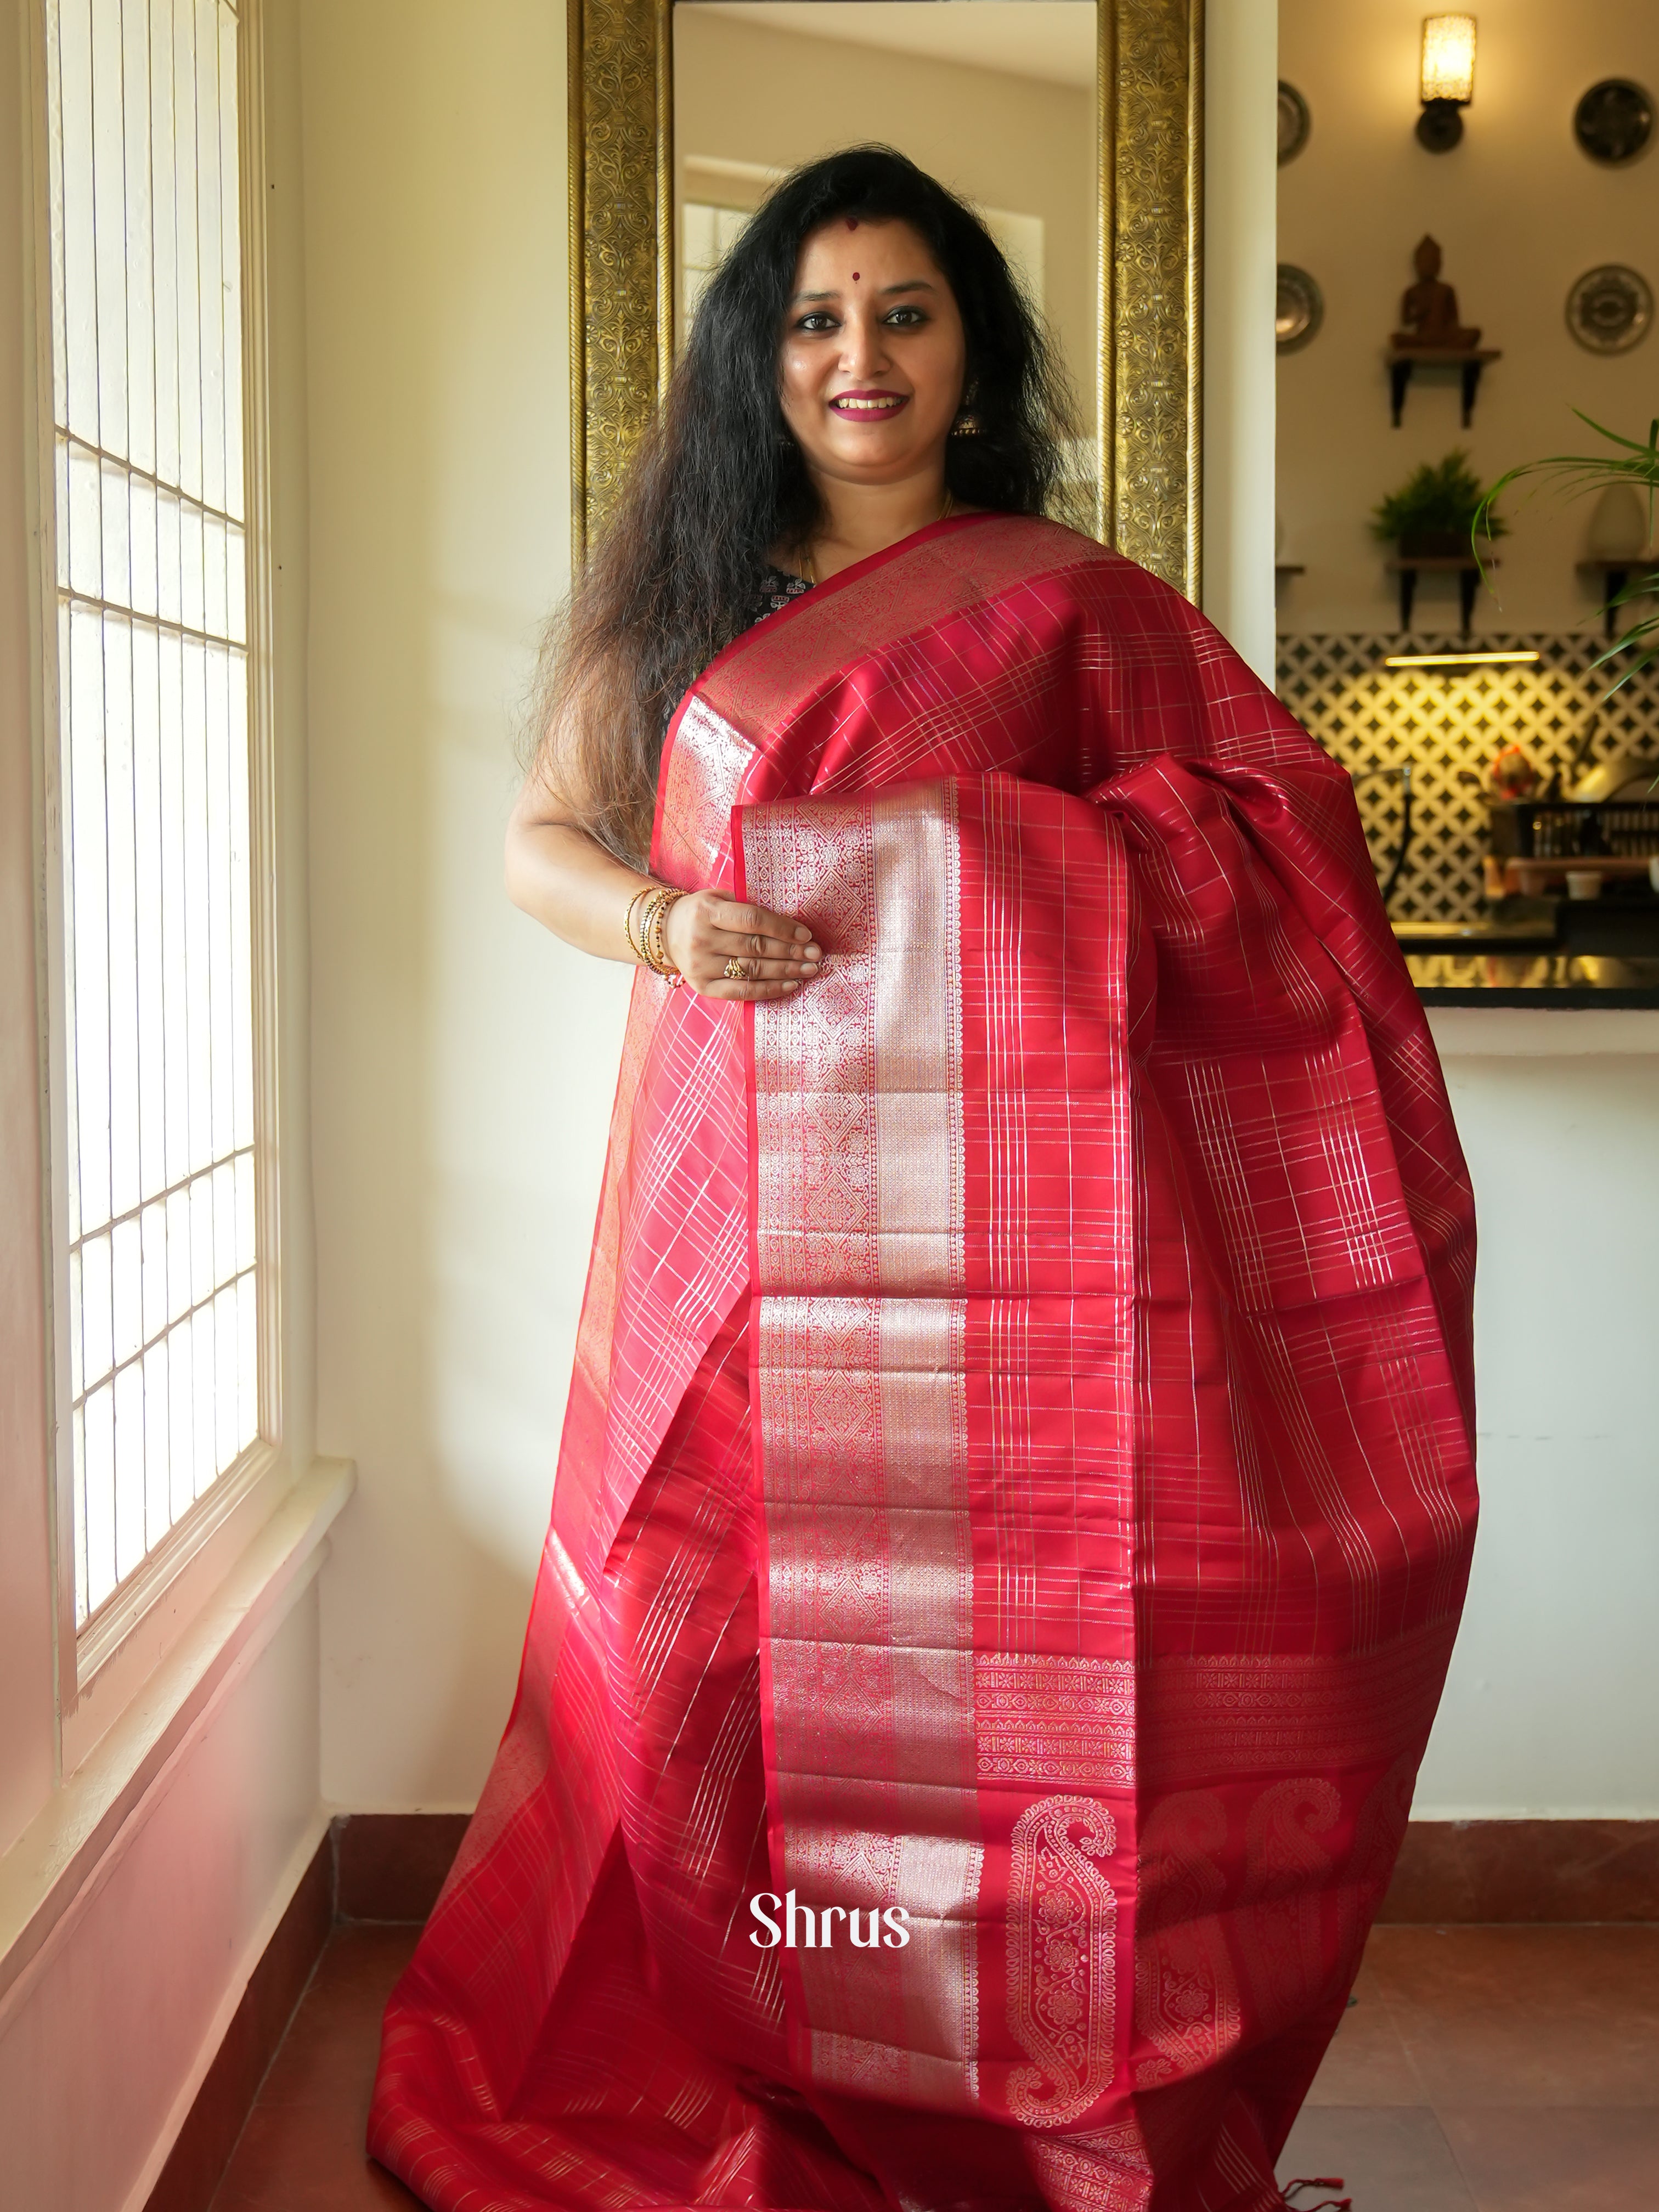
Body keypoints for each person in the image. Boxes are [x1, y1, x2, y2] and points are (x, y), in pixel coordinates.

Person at [369, 146, 1477, 2212]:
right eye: (813, 319)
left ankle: (1005, 2081)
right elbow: (542, 843)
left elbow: (1267, 849)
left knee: (1033, 1671)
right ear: (758, 357)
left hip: (1029, 1260)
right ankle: (781, 2033)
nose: (857, 357)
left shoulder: (1074, 605)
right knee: (732, 1655)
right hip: (749, 1238)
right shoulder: (698, 599)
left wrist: (1007, 868)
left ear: (973, 348)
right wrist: (672, 928)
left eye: (903, 314)